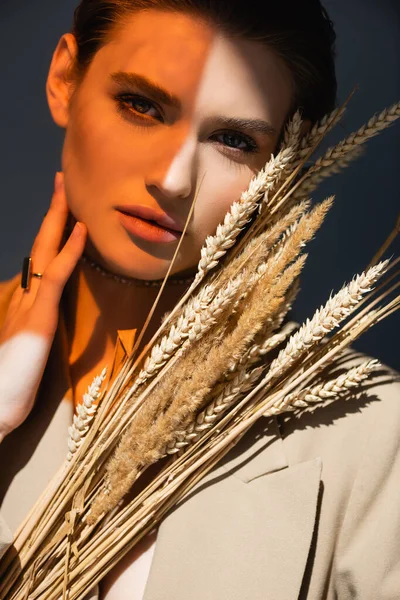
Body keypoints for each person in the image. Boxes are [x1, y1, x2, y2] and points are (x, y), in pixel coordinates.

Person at [0, 1, 399, 599]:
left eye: (233, 139)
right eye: (141, 105)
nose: (174, 177)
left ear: (283, 168)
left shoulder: (367, 430)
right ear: (64, 80)